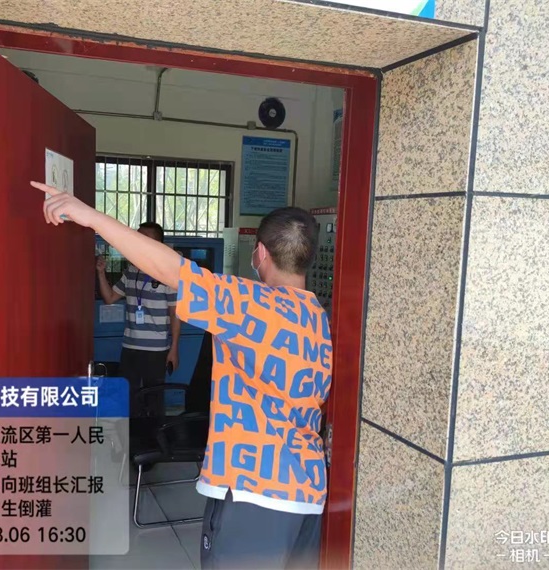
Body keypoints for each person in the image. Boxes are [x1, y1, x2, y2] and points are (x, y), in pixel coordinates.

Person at [32, 181, 332, 570]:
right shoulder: (319, 316)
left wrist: (88, 216)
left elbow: (173, 269)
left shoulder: (250, 303)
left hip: (254, 493)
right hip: (307, 491)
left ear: (260, 253)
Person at [95, 221, 180, 418]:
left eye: (144, 238)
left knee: (154, 398)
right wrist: (101, 273)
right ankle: (133, 434)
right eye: (137, 237)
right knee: (128, 396)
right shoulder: (131, 272)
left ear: (157, 244)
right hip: (130, 346)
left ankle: (156, 434)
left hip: (156, 350)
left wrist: (174, 348)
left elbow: (174, 313)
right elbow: (110, 298)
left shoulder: (167, 273)